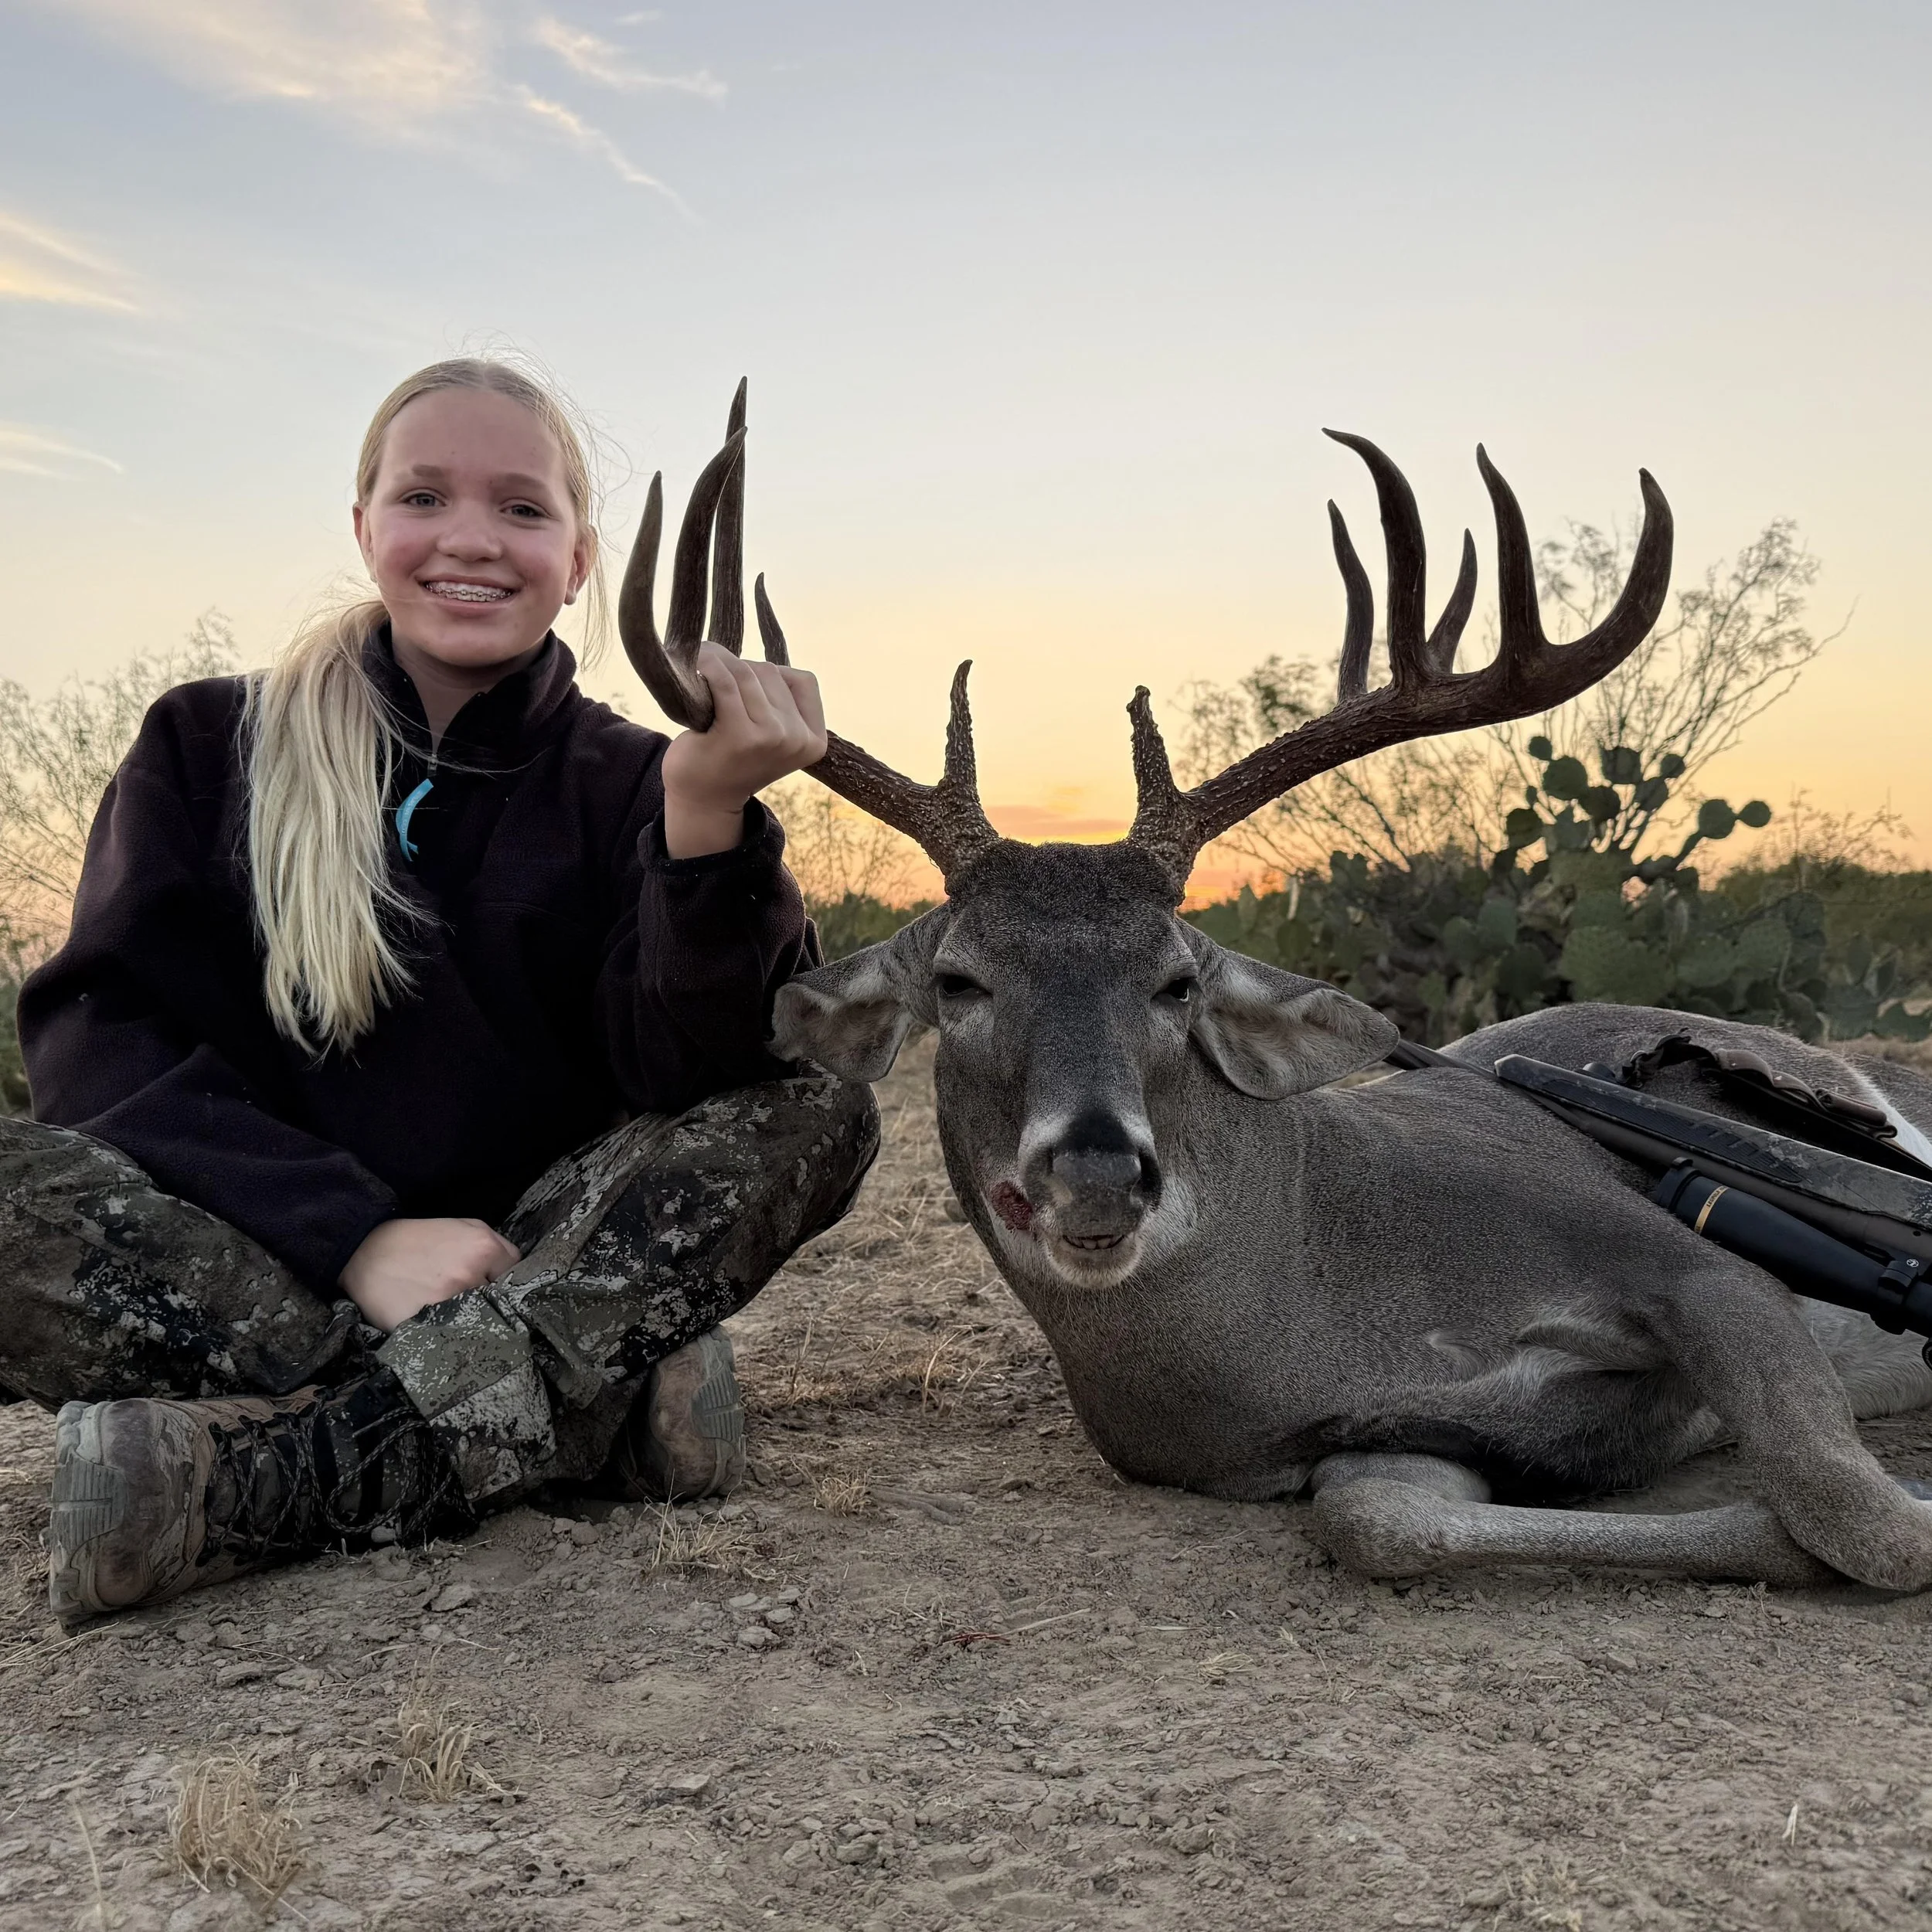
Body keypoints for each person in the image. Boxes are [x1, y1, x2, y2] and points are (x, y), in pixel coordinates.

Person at [0, 358, 879, 1624]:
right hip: (261, 1264)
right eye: (425, 498)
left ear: (580, 559)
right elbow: (102, 1048)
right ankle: (580, 1407)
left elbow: (694, 1076)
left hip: (518, 1255)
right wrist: (352, 1238)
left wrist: (706, 816)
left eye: (524, 509)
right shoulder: (204, 744)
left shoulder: (636, 778)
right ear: (365, 528)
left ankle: (284, 1472)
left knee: (819, 1109)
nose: (471, 540)